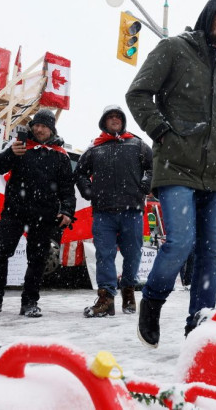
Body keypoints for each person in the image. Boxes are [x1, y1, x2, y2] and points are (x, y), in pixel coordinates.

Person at [126, 0, 216, 347]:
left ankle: (201, 326)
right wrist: (162, 132)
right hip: (177, 165)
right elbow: (137, 94)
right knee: (180, 242)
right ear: (209, 15)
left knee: (212, 252)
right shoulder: (173, 49)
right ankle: (153, 299)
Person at [0, 109, 75, 318]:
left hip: (44, 215)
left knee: (38, 259)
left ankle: (29, 302)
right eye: (36, 125)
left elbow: (67, 189)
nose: (39, 129)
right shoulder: (18, 146)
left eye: (44, 126)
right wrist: (11, 153)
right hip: (14, 211)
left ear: (51, 129)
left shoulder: (60, 155)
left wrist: (66, 210)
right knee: (0, 253)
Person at [75, 105, 153, 318]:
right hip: (103, 211)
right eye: (110, 117)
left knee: (133, 254)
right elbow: (80, 173)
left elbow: (152, 167)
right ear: (104, 122)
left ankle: (128, 291)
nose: (114, 119)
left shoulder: (138, 145)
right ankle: (106, 298)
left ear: (123, 120)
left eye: (118, 116)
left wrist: (145, 185)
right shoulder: (95, 148)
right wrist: (88, 191)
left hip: (132, 210)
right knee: (104, 255)